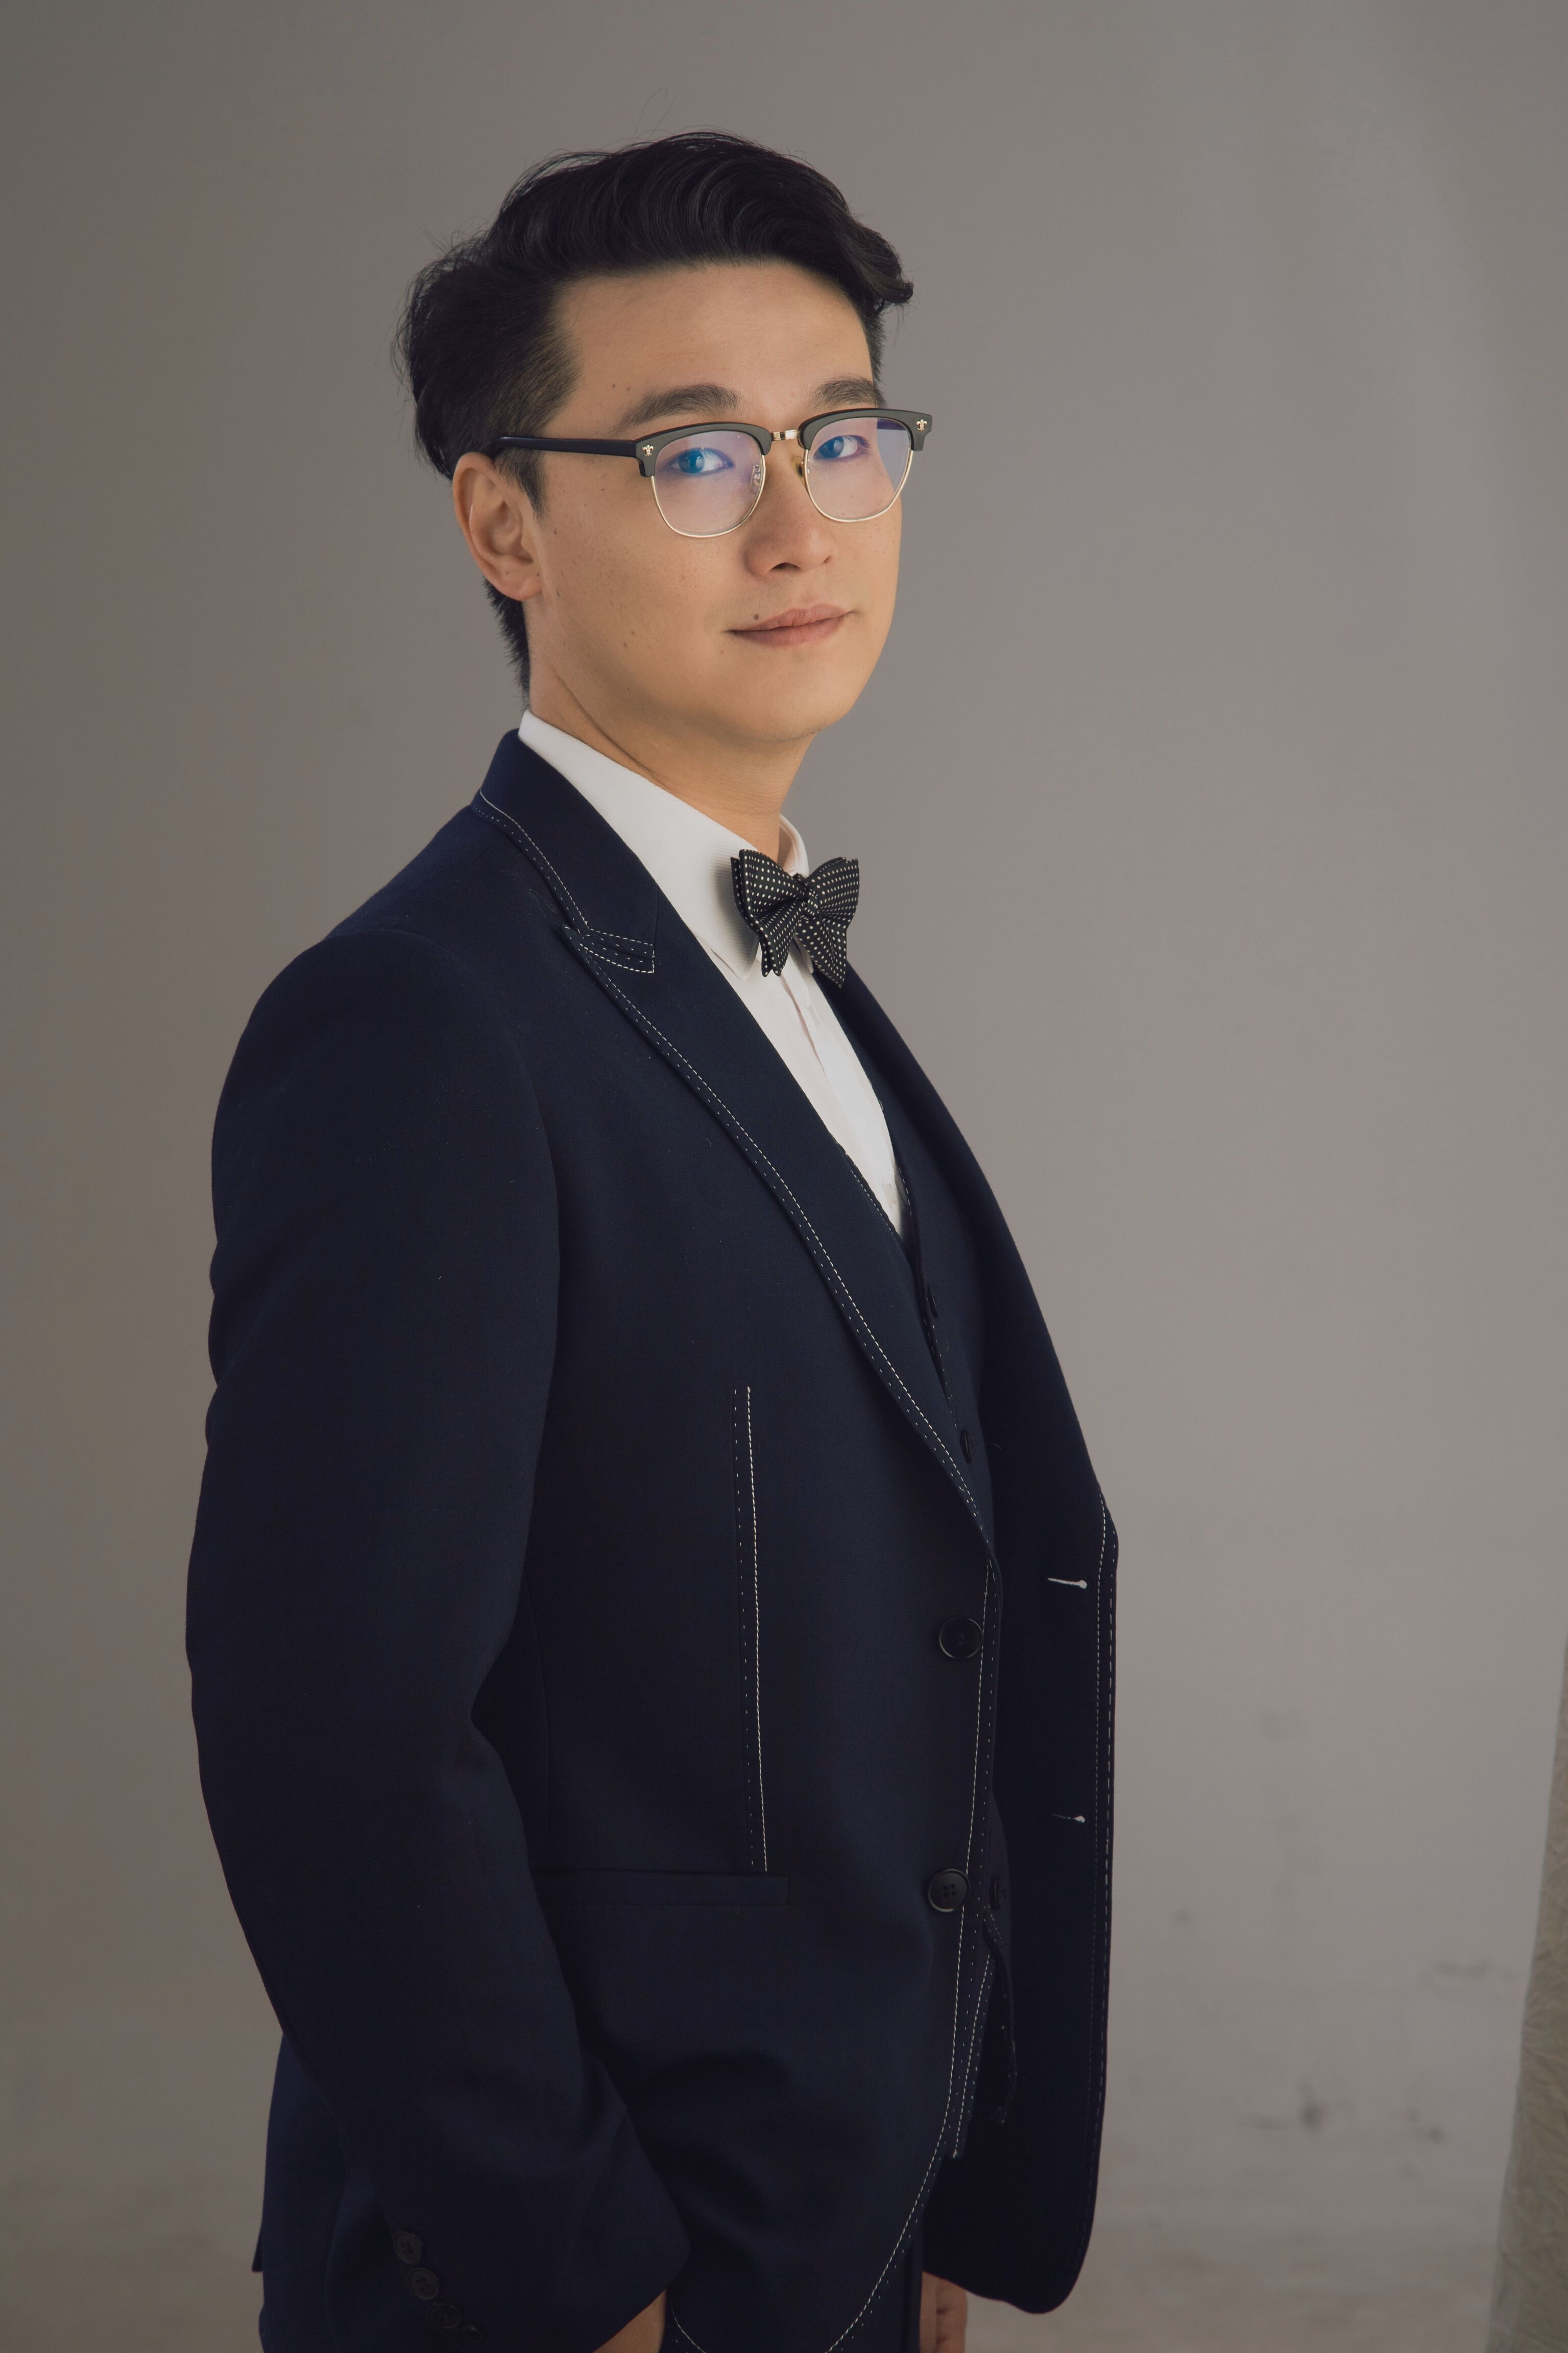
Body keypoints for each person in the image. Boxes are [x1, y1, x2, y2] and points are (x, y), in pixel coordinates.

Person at [186, 132, 1115, 2353]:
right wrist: (586, 2283)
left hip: (839, 2227)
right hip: (593, 2278)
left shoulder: (786, 971)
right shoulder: (420, 1022)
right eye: (696, 456)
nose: (800, 526)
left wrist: (933, 2185)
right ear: (504, 522)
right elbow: (336, 1740)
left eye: (842, 439)